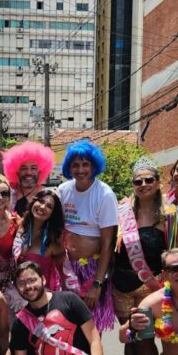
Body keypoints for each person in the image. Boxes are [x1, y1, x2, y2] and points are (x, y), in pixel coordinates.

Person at [112, 156, 167, 355]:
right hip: (121, 287)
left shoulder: (169, 214)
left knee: (144, 341)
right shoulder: (121, 209)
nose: (143, 184)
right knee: (130, 340)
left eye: (148, 180)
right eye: (138, 181)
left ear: (157, 182)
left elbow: (175, 251)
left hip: (150, 287)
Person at [57, 139, 118, 332]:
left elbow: (108, 244)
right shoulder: (63, 190)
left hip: (92, 270)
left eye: (86, 164)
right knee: (66, 327)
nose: (80, 170)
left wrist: (97, 284)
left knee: (91, 329)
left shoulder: (104, 194)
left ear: (94, 166)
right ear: (69, 167)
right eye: (75, 165)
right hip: (66, 269)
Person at [10, 188, 66, 312]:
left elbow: (63, 272)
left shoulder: (54, 239)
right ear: (33, 202)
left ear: (53, 213)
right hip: (16, 296)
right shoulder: (20, 226)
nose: (42, 207)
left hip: (42, 300)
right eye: (40, 201)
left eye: (49, 206)